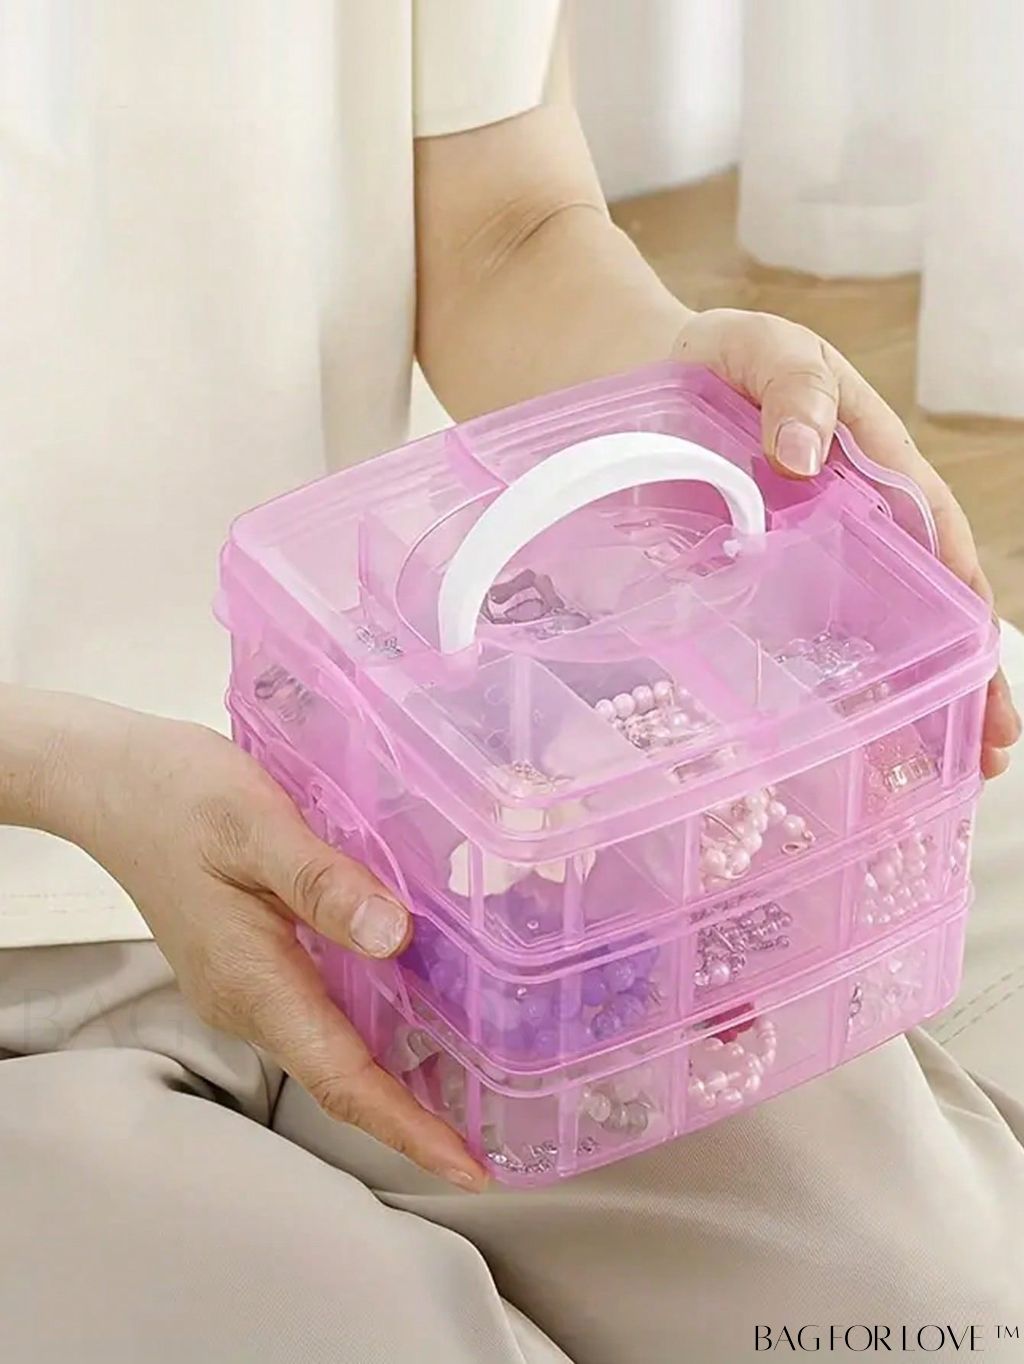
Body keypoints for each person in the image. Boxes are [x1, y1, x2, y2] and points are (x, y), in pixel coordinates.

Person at [1, 4, 1022, 1361]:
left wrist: (677, 394)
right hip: (37, 920)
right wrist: (68, 771)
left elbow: (504, 226)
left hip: (417, 812)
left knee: (925, 1317)